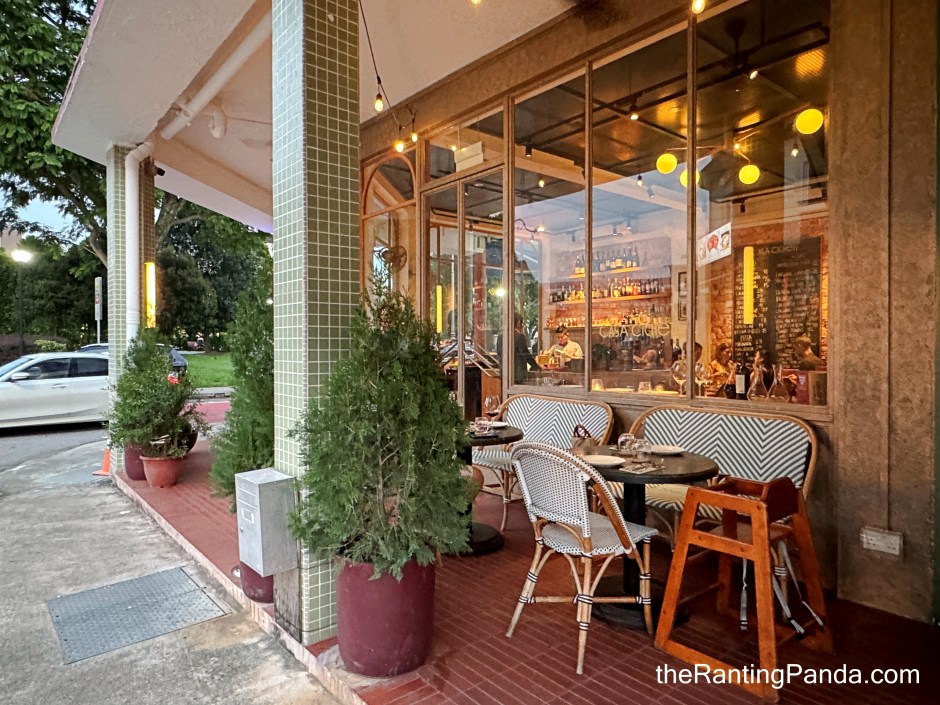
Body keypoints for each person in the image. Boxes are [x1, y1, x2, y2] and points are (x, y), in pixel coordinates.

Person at [496, 313, 539, 384]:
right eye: (522, 323)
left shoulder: (500, 337)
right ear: (519, 323)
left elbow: (499, 355)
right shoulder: (519, 337)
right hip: (518, 375)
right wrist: (536, 367)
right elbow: (526, 355)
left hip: (505, 374)